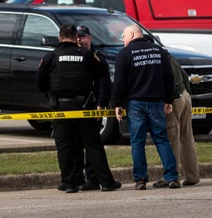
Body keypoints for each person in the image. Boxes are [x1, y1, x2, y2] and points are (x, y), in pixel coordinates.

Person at [35, 24, 121, 194]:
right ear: (76, 37)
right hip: (83, 106)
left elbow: (40, 83)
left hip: (60, 107)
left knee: (65, 146)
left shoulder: (51, 57)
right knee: (93, 145)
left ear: (60, 38)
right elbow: (103, 71)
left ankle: (69, 183)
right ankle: (106, 182)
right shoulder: (87, 55)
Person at [112, 24, 180, 190]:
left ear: (132, 34)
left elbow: (119, 82)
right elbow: (168, 77)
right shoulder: (159, 51)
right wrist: (168, 100)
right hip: (157, 102)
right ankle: (172, 177)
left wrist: (117, 104)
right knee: (162, 139)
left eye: (124, 36)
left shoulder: (125, 54)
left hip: (135, 103)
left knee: (137, 142)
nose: (123, 40)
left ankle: (140, 180)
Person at [75, 25, 111, 191]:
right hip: (75, 106)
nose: (80, 40)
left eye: (83, 36)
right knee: (77, 144)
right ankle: (79, 178)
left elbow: (104, 83)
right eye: (77, 37)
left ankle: (92, 179)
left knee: (92, 145)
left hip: (92, 105)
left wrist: (101, 104)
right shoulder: (73, 56)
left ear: (89, 37)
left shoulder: (97, 56)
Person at [165, 48, 200, 186]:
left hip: (174, 98)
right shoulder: (169, 56)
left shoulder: (158, 57)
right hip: (184, 95)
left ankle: (172, 177)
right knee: (187, 138)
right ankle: (193, 176)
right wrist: (187, 94)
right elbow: (185, 76)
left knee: (172, 138)